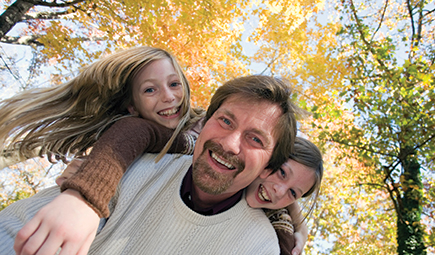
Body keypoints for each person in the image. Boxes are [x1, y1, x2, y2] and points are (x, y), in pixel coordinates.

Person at [0, 74, 302, 254]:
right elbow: (15, 230)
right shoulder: (127, 170)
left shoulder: (256, 244)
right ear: (205, 122)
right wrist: (82, 198)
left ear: (267, 168)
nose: (229, 143)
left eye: (255, 139)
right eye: (225, 121)